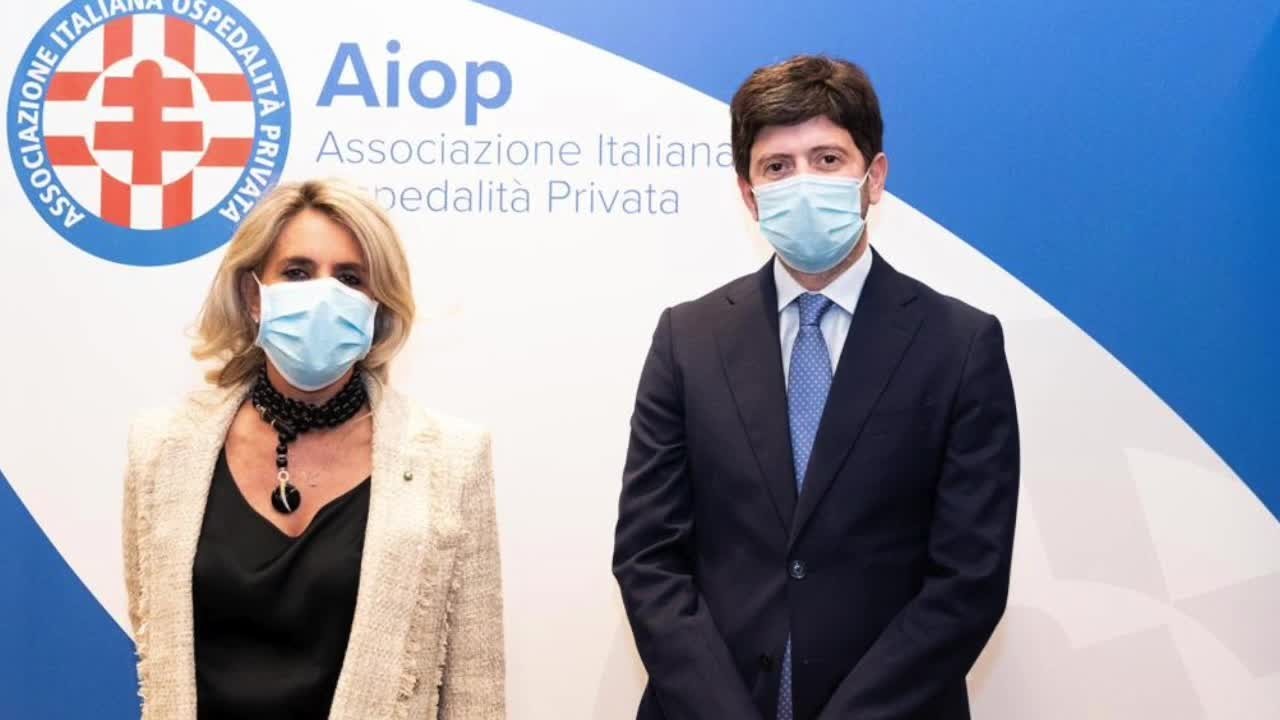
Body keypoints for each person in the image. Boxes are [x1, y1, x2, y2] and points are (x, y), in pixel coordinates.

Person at [613, 56, 1020, 720]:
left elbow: (969, 579)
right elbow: (648, 558)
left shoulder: (960, 344)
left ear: (873, 177)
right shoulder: (686, 339)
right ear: (749, 195)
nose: (802, 182)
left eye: (827, 159)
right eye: (777, 166)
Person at [121, 179, 504, 719]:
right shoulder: (162, 450)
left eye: (350, 278)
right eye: (298, 272)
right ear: (254, 296)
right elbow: (157, 646)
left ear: (376, 307)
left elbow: (475, 693)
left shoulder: (452, 460)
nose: (324, 296)